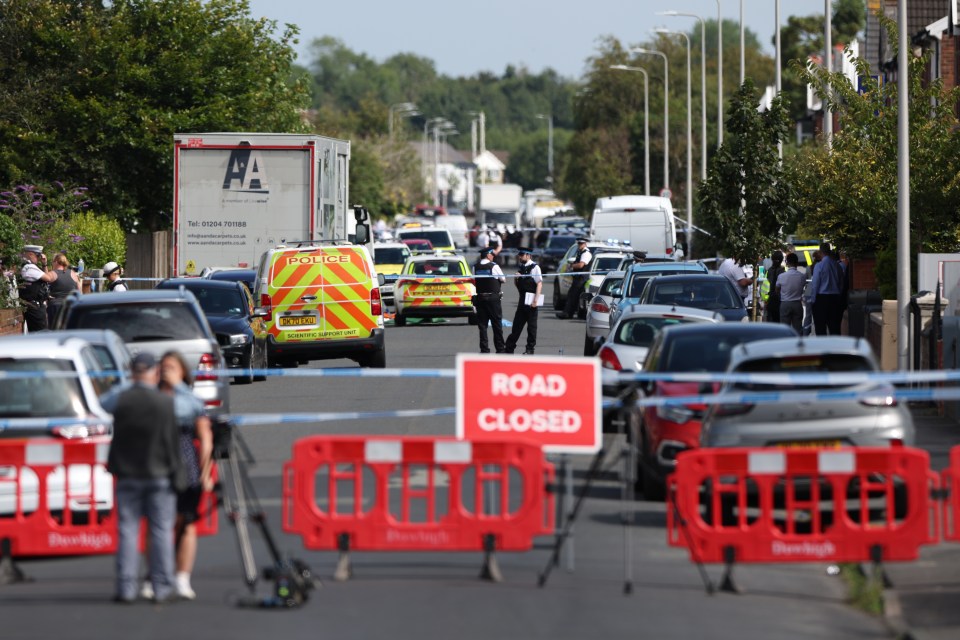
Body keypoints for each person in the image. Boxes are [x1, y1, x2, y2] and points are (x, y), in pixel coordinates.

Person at [104, 352, 183, 604]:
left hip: (127, 474)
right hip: (159, 473)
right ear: (154, 372)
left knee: (127, 531)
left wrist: (128, 383)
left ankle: (126, 587)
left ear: (131, 372)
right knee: (161, 530)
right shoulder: (165, 402)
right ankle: (161, 587)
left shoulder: (122, 399)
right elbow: (173, 439)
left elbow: (101, 404)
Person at [143, 351, 213, 601]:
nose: (166, 372)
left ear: (183, 372)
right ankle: (154, 576)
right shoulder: (151, 397)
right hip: (156, 464)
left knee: (187, 522)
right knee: (157, 523)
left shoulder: (190, 399)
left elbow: (205, 437)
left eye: (172, 367)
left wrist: (205, 472)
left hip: (185, 464)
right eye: (162, 367)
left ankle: (183, 578)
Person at [504, 247, 542, 355]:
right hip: (522, 299)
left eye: (521, 255)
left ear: (528, 255)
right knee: (516, 326)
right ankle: (509, 348)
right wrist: (516, 279)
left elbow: (539, 283)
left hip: (531, 301)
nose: (519, 257)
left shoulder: (535, 268)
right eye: (519, 255)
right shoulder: (521, 267)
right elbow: (518, 286)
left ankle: (530, 349)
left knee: (531, 328)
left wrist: (536, 300)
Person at [806, 241, 844, 335]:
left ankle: (823, 348)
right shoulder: (837, 265)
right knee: (835, 328)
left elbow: (815, 284)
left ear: (820, 252)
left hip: (821, 298)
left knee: (820, 328)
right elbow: (841, 283)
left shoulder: (819, 266)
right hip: (835, 298)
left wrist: (813, 300)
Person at [473, 246, 506, 353]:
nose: (493, 257)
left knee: (482, 326)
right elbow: (503, 279)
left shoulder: (475, 267)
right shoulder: (494, 266)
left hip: (480, 298)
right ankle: (500, 348)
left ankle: (484, 349)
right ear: (488, 255)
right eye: (492, 254)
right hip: (493, 299)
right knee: (496, 324)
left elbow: (474, 280)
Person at [19, 245, 57, 332]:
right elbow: (49, 278)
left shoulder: (29, 266)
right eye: (38, 256)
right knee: (40, 334)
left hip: (34, 305)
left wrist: (44, 265)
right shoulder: (29, 268)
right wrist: (45, 264)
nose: (39, 259)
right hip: (34, 307)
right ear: (30, 254)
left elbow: (46, 280)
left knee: (39, 334)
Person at [557, 237, 591, 319]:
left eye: (581, 243)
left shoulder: (586, 253)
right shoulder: (580, 252)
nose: (579, 245)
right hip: (578, 277)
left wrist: (572, 266)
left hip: (581, 278)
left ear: (585, 244)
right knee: (572, 295)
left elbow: (581, 265)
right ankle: (568, 313)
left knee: (573, 295)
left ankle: (567, 313)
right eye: (579, 243)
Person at [47, 252, 81, 326]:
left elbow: (43, 282)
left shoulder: (52, 273)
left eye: (52, 262)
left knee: (55, 330)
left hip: (56, 306)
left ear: (56, 262)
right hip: (71, 305)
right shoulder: (73, 273)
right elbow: (79, 290)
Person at [776, 252, 806, 333]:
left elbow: (777, 289)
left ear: (787, 263)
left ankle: (786, 344)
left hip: (785, 304)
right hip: (797, 304)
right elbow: (803, 286)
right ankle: (798, 344)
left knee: (784, 329)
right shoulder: (802, 276)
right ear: (797, 263)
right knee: (798, 328)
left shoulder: (781, 276)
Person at [764, 250, 784, 323]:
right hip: (780, 299)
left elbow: (767, 283)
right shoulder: (782, 271)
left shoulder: (769, 270)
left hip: (771, 298)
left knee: (771, 320)